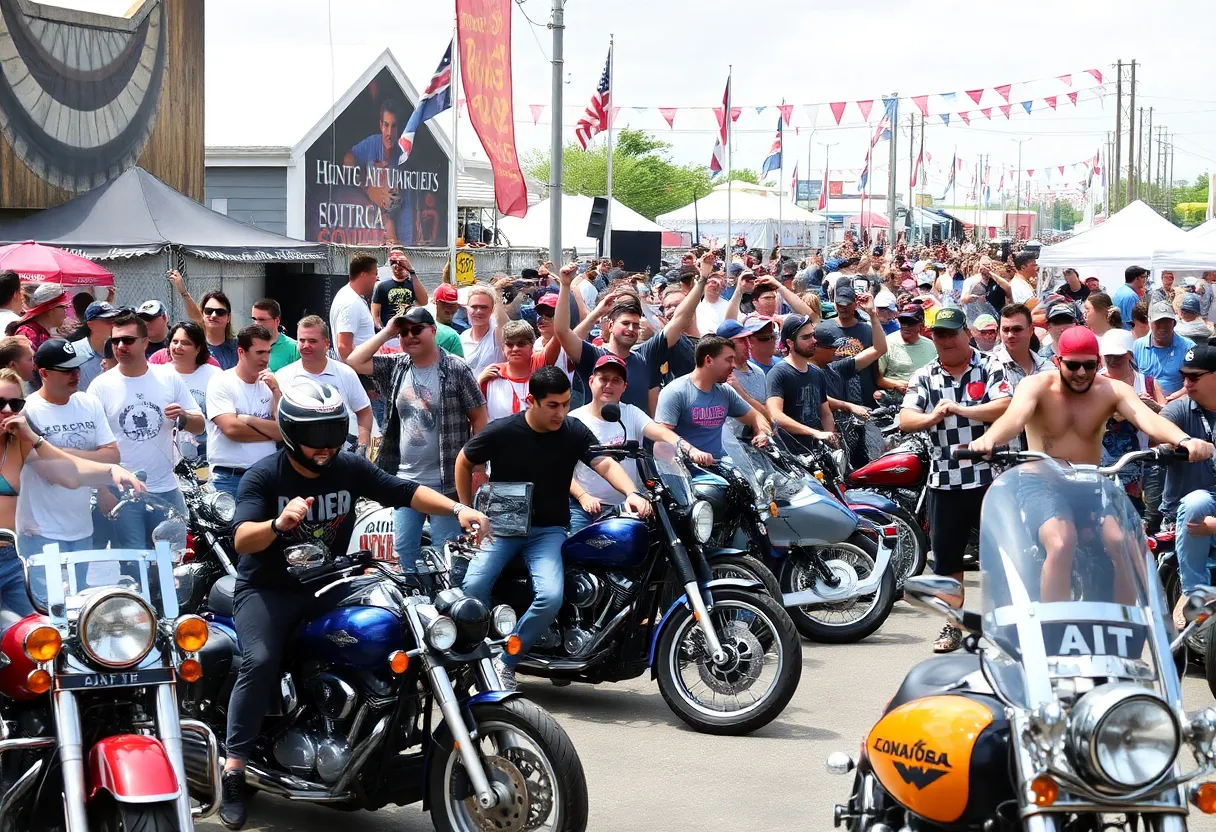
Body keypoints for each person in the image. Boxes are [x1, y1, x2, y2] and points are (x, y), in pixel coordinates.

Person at [217, 380, 487, 828]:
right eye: (314, 436)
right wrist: (278, 523)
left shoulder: (347, 466)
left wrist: (458, 509)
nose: (324, 447)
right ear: (289, 432)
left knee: (393, 628)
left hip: (331, 581)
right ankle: (234, 768)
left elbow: (405, 491)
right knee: (261, 660)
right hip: (268, 588)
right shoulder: (264, 475)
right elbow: (242, 538)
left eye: (331, 433)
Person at [970, 327, 1212, 604]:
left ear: (1098, 363)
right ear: (1058, 361)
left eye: (1089, 365)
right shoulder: (1035, 386)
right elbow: (1013, 419)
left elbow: (1147, 418)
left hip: (1090, 483)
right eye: (1073, 365)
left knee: (1126, 543)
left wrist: (1184, 440)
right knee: (1062, 543)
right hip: (1041, 483)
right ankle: (1055, 632)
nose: (1082, 373)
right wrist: (988, 439)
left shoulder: (1110, 389)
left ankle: (1122, 629)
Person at [456, 367, 651, 688]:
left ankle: (506, 662)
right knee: (473, 589)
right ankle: (472, 656)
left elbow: (603, 462)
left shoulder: (573, 431)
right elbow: (464, 460)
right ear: (532, 400)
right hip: (502, 528)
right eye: (553, 405)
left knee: (550, 597)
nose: (561, 412)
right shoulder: (503, 430)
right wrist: (465, 509)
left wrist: (631, 492)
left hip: (548, 531)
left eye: (564, 403)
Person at [899, 307, 1013, 653]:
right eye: (939, 335)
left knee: (1002, 558)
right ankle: (954, 624)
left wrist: (961, 409)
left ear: (967, 333)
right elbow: (905, 419)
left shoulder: (991, 365)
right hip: (944, 480)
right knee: (948, 563)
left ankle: (1004, 624)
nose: (945, 340)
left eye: (951, 333)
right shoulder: (925, 375)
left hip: (988, 479)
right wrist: (932, 415)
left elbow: (1006, 404)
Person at [347, 308, 487, 576]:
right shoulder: (396, 366)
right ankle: (413, 608)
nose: (409, 336)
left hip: (445, 479)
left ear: (433, 331)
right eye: (404, 332)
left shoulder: (455, 368)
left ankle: (449, 611)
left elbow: (479, 418)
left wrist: (478, 468)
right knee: (404, 556)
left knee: (447, 556)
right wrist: (388, 330)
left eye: (416, 330)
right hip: (405, 480)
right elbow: (353, 360)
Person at [0, 365, 141, 613]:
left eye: (15, 404)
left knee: (48, 629)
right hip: (33, 539)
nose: (6, 411)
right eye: (0, 402)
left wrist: (111, 472)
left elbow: (68, 472)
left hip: (10, 560)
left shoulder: (19, 444)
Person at [88, 313, 204, 549]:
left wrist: (183, 416)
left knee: (174, 561)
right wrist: (101, 491)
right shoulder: (100, 386)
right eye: (115, 341)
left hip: (166, 489)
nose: (121, 346)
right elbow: (91, 446)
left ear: (145, 342)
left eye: (128, 340)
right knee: (134, 567)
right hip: (122, 493)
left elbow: (200, 425)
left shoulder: (168, 377)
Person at [568, 354, 713, 532]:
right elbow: (560, 470)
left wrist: (689, 449)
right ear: (591, 381)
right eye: (603, 379)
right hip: (587, 508)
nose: (608, 385)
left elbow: (661, 432)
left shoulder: (631, 413)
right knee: (575, 552)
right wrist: (583, 497)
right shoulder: (574, 420)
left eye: (616, 380)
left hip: (630, 504)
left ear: (624, 387)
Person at [17, 338, 121, 558]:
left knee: (82, 593)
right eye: (66, 371)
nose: (75, 375)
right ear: (43, 373)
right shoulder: (27, 412)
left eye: (76, 367)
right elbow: (53, 474)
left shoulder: (89, 403)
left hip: (82, 529)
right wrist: (95, 465)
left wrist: (65, 453)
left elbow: (113, 456)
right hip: (41, 532)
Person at [1160, 346, 1216, 625]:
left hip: (1214, 520)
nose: (1186, 383)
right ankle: (1196, 598)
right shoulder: (1180, 408)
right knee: (1197, 502)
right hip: (1184, 514)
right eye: (1183, 376)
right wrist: (1182, 442)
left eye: (1194, 377)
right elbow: (1158, 430)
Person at [655, 336, 771, 460]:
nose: (734, 365)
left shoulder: (725, 391)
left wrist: (761, 433)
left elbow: (756, 416)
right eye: (728, 360)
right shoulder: (676, 392)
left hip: (720, 467)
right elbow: (661, 435)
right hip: (688, 472)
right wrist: (691, 451)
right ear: (709, 360)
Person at [276, 316, 372, 452]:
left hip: (343, 456)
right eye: (301, 340)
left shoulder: (346, 373)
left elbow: (364, 412)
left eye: (312, 341)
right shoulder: (283, 376)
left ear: (326, 344)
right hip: (300, 459)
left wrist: (362, 447)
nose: (305, 345)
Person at [206, 326, 282, 499]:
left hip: (266, 476)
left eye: (268, 352)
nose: (265, 359)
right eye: (259, 352)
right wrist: (273, 432)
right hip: (230, 477)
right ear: (241, 352)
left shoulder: (271, 383)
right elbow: (232, 429)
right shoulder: (221, 381)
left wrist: (249, 419)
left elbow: (284, 429)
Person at [1099, 328, 1163, 510]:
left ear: (1129, 354)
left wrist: (1154, 408)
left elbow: (1166, 418)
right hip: (1108, 465)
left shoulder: (1147, 382)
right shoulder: (1096, 384)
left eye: (1118, 355)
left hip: (1146, 461)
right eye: (1108, 355)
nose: (1112, 360)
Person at [766, 315, 836, 452]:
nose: (813, 341)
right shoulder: (778, 373)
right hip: (792, 455)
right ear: (790, 343)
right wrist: (814, 432)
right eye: (806, 337)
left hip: (817, 451)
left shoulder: (817, 373)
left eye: (813, 335)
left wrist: (830, 438)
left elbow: (825, 413)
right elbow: (775, 415)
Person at [478, 320, 561, 422]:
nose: (515, 349)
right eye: (509, 345)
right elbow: (477, 417)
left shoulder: (538, 364)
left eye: (521, 344)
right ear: (503, 348)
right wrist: (478, 382)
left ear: (532, 345)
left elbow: (560, 333)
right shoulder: (491, 375)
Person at [163, 322, 222, 462]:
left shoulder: (215, 375)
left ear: (198, 348)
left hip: (207, 455)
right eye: (174, 342)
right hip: (168, 457)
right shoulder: (158, 374)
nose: (178, 347)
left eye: (185, 343)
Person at [1134, 301, 1195, 401]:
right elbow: (1133, 377)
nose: (1162, 327)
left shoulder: (1188, 347)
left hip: (1178, 404)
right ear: (1150, 323)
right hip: (1146, 405)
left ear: (1174, 323)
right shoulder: (1138, 346)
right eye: (1158, 322)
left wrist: (1178, 396)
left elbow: (1196, 383)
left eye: (1166, 322)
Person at [717, 318, 771, 427]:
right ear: (727, 346)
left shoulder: (758, 372)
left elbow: (768, 415)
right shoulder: (720, 377)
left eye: (748, 339)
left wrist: (740, 391)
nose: (749, 345)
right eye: (742, 341)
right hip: (731, 440)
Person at [986, 303, 1051, 389]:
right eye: (1005, 330)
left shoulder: (1048, 368)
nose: (1010, 335)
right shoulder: (987, 367)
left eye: (1016, 329)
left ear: (1031, 330)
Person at [330, 254, 379, 363]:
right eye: (375, 274)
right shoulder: (350, 302)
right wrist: (365, 367)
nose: (377, 279)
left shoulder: (351, 296)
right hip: (358, 374)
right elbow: (344, 347)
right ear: (364, 275)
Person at [878, 304, 936, 395]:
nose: (906, 326)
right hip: (895, 396)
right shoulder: (887, 343)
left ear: (921, 324)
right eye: (903, 321)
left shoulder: (932, 346)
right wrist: (895, 384)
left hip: (925, 395)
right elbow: (877, 379)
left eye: (911, 322)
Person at [459, 283, 508, 378]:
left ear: (492, 310)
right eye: (474, 307)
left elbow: (504, 324)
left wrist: (496, 293)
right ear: (467, 309)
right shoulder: (461, 338)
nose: (479, 311)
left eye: (484, 307)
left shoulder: (497, 335)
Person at [70, 301, 121, 389]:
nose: (113, 325)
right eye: (108, 320)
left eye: (114, 320)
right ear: (91, 325)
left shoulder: (123, 348)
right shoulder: (74, 352)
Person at [370, 250, 428, 327]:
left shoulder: (413, 284)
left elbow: (424, 302)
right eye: (394, 266)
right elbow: (375, 315)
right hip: (390, 330)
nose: (398, 269)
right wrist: (381, 330)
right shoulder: (382, 286)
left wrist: (412, 272)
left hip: (408, 328)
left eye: (401, 267)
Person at [12, 284, 68, 355]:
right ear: (51, 310)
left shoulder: (42, 332)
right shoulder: (28, 333)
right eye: (63, 307)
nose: (65, 312)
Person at [251, 299, 300, 372]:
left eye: (262, 319)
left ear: (277, 321)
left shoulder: (294, 348)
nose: (256, 324)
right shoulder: (247, 346)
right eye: (254, 319)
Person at [197, 291, 239, 370]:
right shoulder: (194, 348)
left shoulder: (240, 348)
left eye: (220, 312)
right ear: (202, 314)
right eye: (208, 311)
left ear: (228, 317)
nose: (213, 315)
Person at [1114, 266, 1148, 331]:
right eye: (1143, 277)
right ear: (1136, 278)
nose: (1145, 280)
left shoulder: (1120, 290)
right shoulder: (1132, 296)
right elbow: (1136, 321)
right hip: (1128, 332)